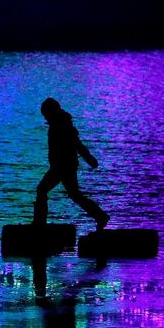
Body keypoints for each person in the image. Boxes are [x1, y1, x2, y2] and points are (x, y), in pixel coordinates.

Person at [34, 97, 109, 229]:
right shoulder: (60, 123)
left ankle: (39, 223)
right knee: (74, 194)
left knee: (42, 190)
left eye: (46, 114)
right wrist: (89, 159)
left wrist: (89, 159)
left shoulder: (62, 126)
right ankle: (100, 216)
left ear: (51, 112)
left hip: (62, 166)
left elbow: (77, 144)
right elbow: (77, 144)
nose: (45, 118)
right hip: (62, 166)